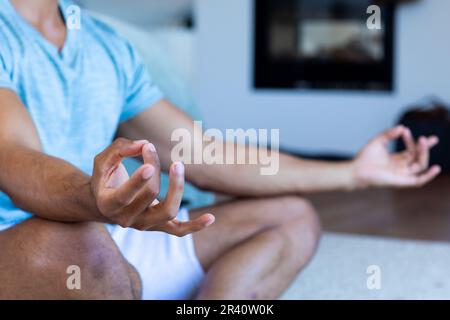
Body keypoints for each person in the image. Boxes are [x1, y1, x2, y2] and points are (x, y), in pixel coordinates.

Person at [0, 0, 441, 299]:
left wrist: (352, 173)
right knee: (82, 243)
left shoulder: (106, 44)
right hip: (32, 247)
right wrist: (94, 199)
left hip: (109, 235)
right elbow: (13, 157)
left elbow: (199, 151)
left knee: (292, 216)